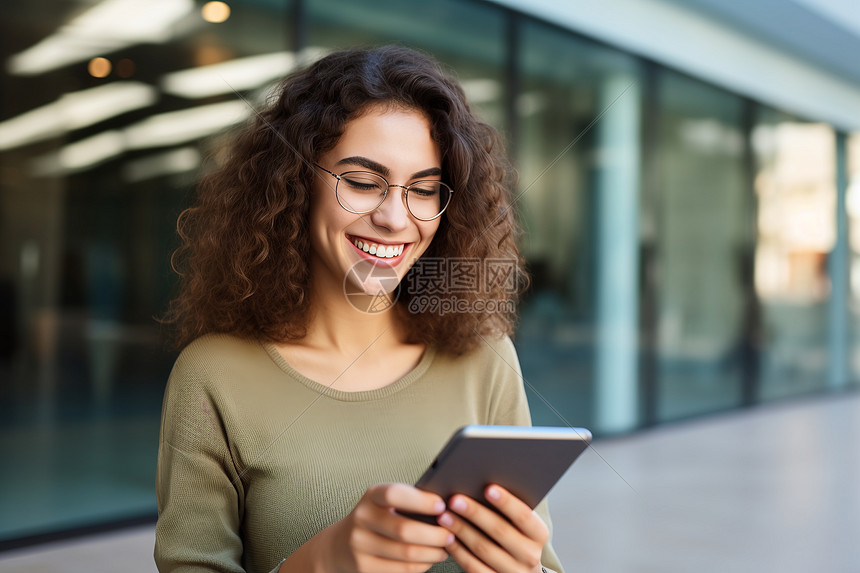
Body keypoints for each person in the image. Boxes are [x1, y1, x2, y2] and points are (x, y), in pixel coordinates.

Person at [155, 45, 565, 573]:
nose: (395, 218)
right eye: (362, 182)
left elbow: (545, 562)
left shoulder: (486, 359)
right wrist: (323, 561)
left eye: (423, 189)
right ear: (297, 184)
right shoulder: (213, 376)